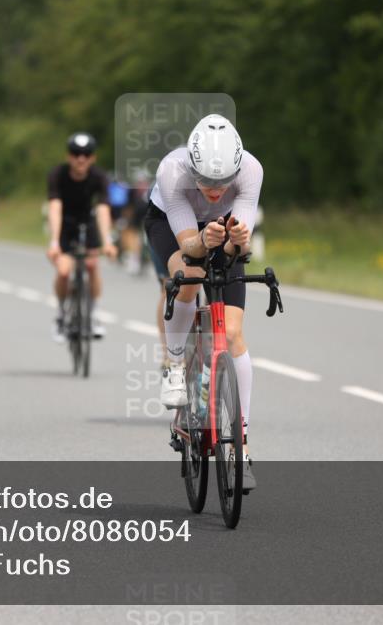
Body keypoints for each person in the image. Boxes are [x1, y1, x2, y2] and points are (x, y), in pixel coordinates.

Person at [143, 114, 262, 488]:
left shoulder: (251, 170)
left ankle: (238, 446)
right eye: (207, 181)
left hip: (221, 228)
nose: (214, 189)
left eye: (223, 181)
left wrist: (234, 240)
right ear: (192, 168)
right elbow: (189, 247)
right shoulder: (172, 172)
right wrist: (203, 241)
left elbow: (239, 248)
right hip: (171, 223)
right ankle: (174, 364)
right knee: (189, 276)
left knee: (234, 334)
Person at [46, 132, 117, 342]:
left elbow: (103, 209)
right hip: (64, 225)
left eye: (86, 154)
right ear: (69, 156)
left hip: (89, 223)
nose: (81, 158)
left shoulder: (99, 177)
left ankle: (94, 315)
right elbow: (55, 207)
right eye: (76, 153)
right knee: (64, 271)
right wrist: (54, 242)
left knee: (93, 265)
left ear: (92, 157)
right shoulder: (57, 175)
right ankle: (60, 315)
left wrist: (107, 242)